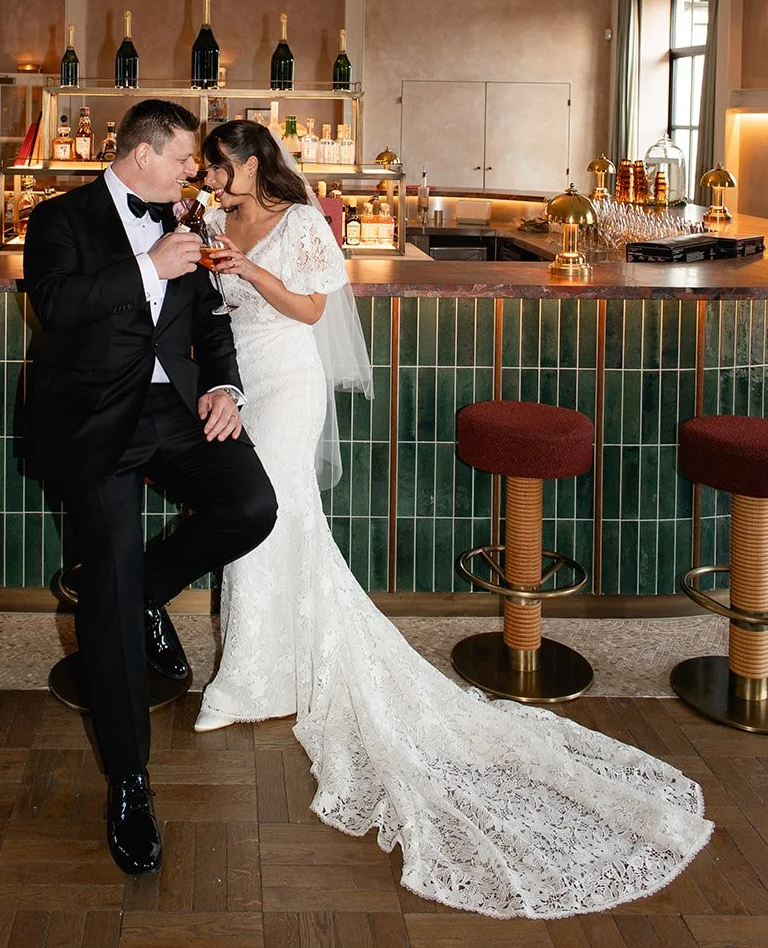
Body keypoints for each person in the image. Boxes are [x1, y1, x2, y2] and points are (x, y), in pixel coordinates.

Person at [194, 119, 712, 920]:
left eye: (221, 167)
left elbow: (308, 310)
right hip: (238, 380)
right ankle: (265, 666)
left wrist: (245, 274)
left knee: (278, 509)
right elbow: (208, 306)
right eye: (208, 169)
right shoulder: (212, 217)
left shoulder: (299, 222)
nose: (213, 179)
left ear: (253, 161)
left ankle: (257, 677)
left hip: (289, 382)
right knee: (254, 516)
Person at [22, 100, 278, 877]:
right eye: (182, 161)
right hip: (96, 418)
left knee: (250, 507)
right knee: (108, 577)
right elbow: (58, 310)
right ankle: (129, 782)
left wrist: (226, 386)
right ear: (142, 155)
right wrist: (146, 269)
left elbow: (208, 319)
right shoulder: (58, 218)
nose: (192, 174)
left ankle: (143, 591)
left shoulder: (190, 220)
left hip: (176, 409)